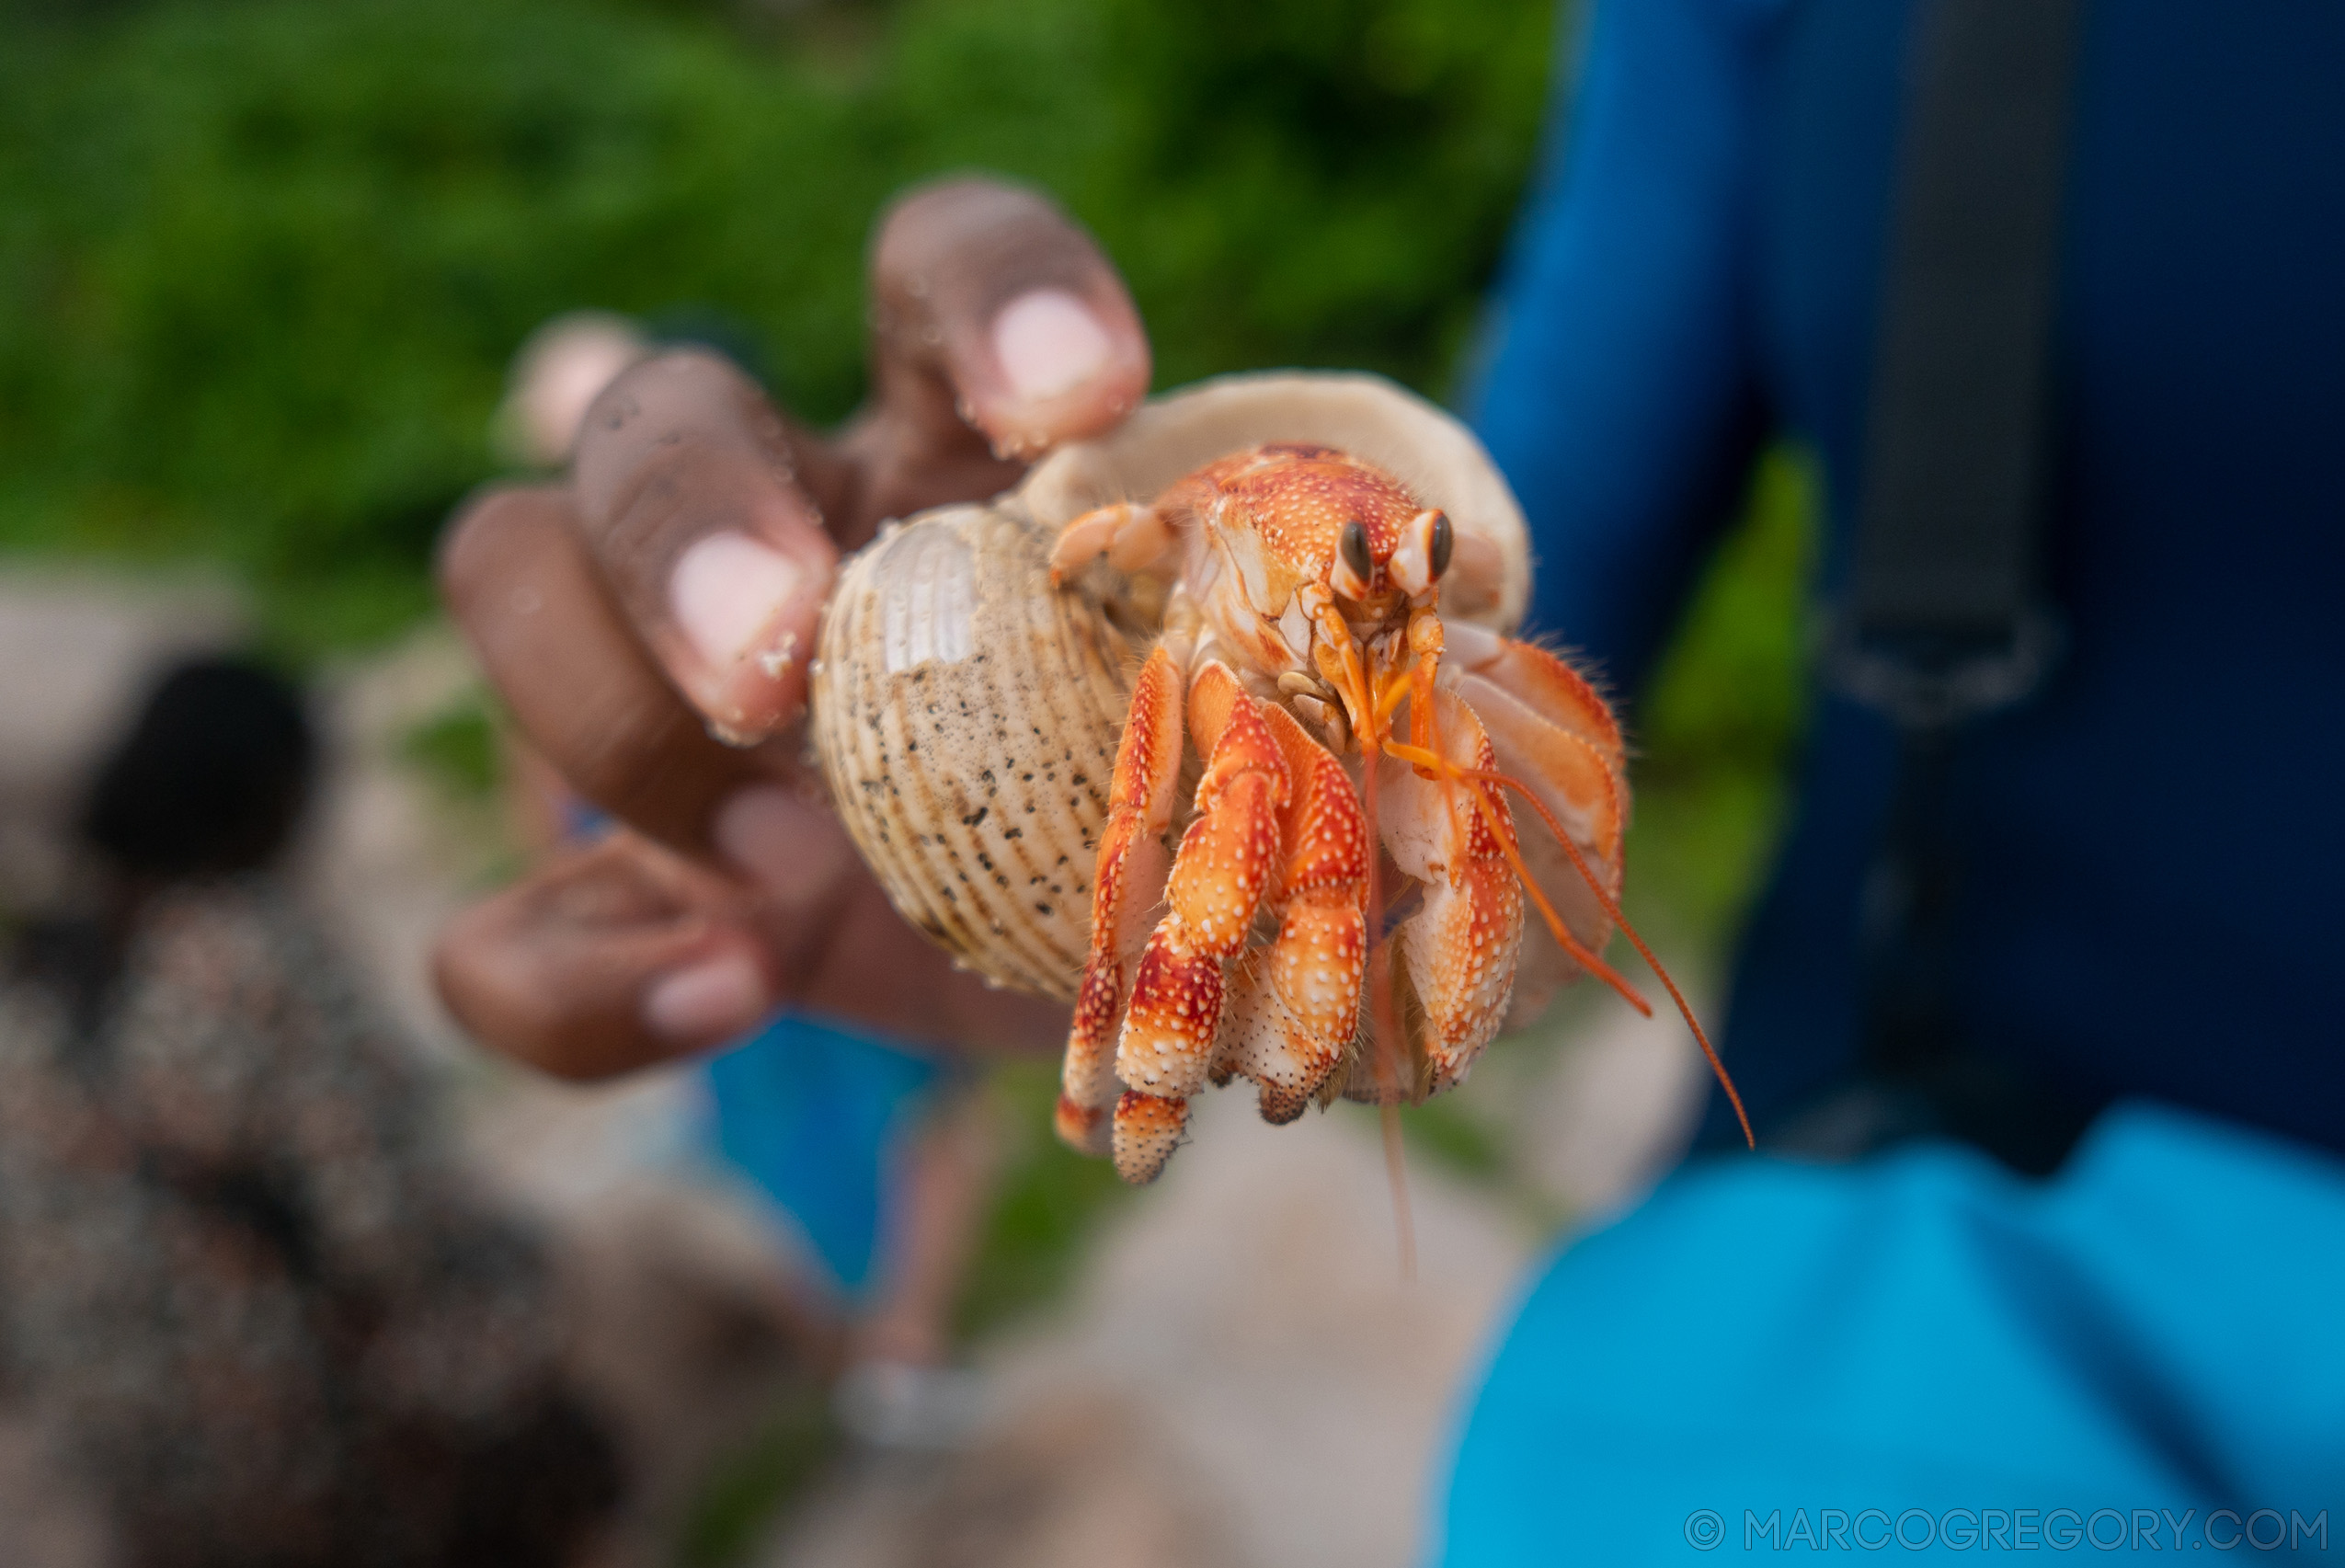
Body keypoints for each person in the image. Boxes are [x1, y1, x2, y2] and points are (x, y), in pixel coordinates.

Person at [430, 9, 2344, 1544]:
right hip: (1898, 1285)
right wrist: (986, 743)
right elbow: (1555, 519)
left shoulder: (1380, 657)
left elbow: (1500, 688)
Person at [493, 313, 1001, 1445]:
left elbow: (540, 787)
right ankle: (903, 1353)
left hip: (691, 922)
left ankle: (853, 1365)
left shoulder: (560, 581)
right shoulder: (779, 554)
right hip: (818, 905)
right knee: (926, 1124)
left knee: (763, 1139)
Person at [0, 658, 623, 1568]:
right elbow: (390, 1230)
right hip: (308, 1446)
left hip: (130, 1466)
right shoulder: (253, 951)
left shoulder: (32, 980)